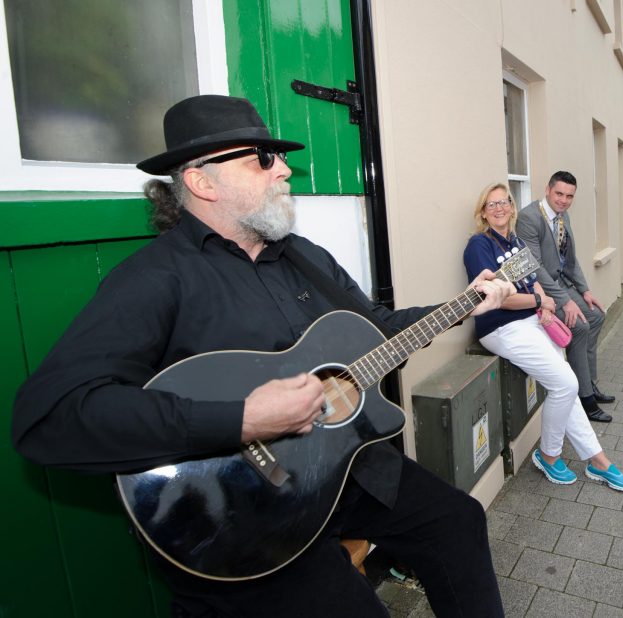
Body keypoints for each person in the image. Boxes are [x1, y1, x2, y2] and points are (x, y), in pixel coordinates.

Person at [10, 95, 513, 617]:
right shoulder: (155, 279)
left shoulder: (305, 258)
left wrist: (464, 304)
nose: (286, 169)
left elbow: (376, 332)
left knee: (458, 521)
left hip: (345, 469)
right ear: (203, 181)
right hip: (243, 514)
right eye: (263, 158)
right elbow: (51, 417)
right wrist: (243, 419)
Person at [463, 183, 623, 492]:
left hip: (532, 321)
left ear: (512, 207)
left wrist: (544, 302)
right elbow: (495, 299)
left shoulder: (514, 240)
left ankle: (598, 460)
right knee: (566, 384)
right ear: (483, 212)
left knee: (564, 385)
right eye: (492, 204)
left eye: (504, 202)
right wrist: (539, 303)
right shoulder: (479, 246)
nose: (499, 208)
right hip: (502, 327)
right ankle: (549, 455)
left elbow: (533, 282)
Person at [516, 171, 615, 422]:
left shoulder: (562, 216)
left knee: (596, 316)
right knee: (580, 325)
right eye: (559, 194)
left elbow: (570, 261)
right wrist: (566, 301)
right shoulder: (529, 218)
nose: (563, 200)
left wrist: (585, 291)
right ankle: (584, 398)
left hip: (562, 283)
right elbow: (534, 268)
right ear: (548, 190)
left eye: (569, 196)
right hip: (541, 289)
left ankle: (589, 382)